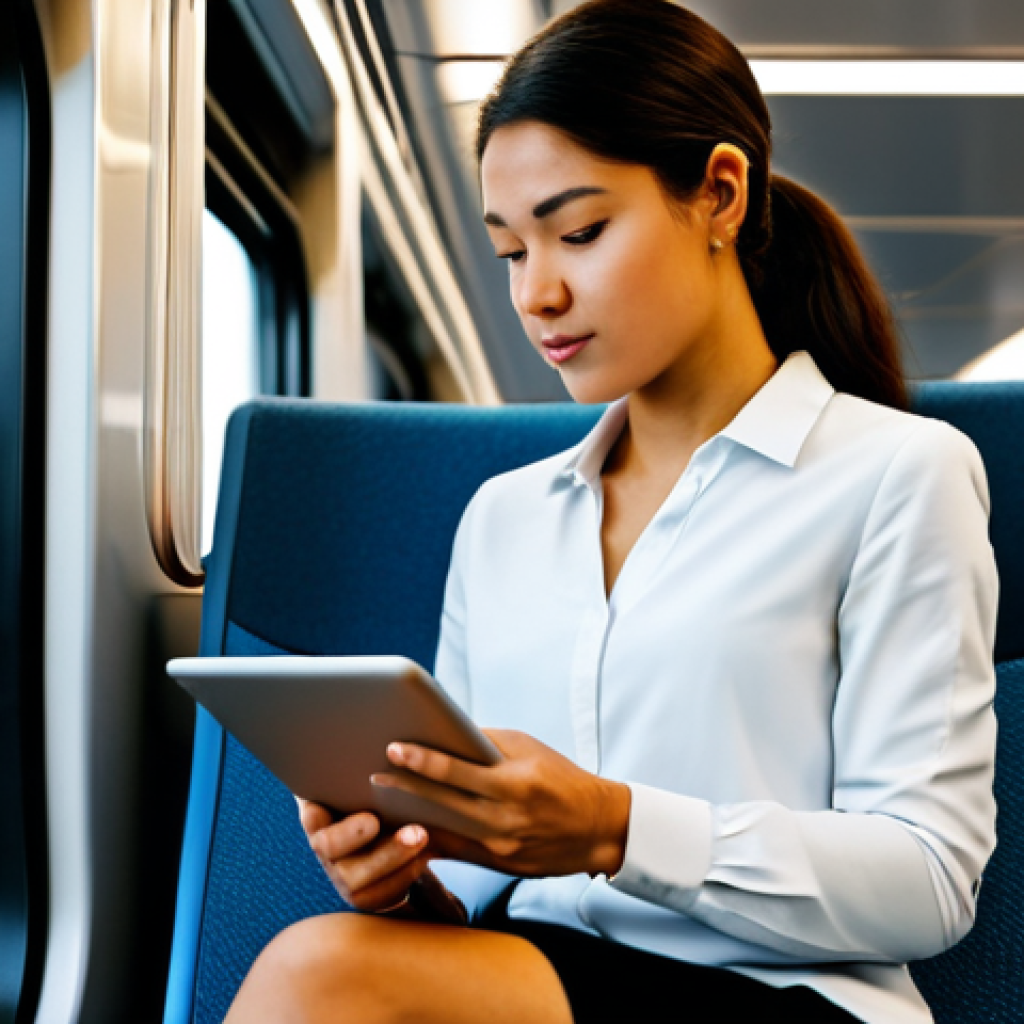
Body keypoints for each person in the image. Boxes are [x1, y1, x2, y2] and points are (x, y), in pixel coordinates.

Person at [224, 1, 998, 1021]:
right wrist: (407, 875)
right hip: (540, 975)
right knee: (344, 954)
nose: (536, 292)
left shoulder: (897, 473)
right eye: (509, 253)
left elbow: (929, 879)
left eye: (577, 232)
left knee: (320, 973)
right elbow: (471, 888)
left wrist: (614, 828)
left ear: (720, 193)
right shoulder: (502, 520)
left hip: (780, 994)